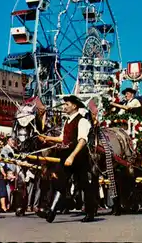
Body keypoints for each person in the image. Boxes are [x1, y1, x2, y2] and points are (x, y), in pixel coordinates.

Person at [37, 95, 97, 223]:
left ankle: (90, 212)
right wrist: (47, 138)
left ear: (74, 106)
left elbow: (82, 141)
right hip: (66, 155)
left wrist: (72, 156)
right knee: (60, 181)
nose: (64, 107)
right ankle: (51, 211)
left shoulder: (82, 121)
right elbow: (62, 138)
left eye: (67, 105)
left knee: (84, 184)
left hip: (78, 157)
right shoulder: (67, 121)